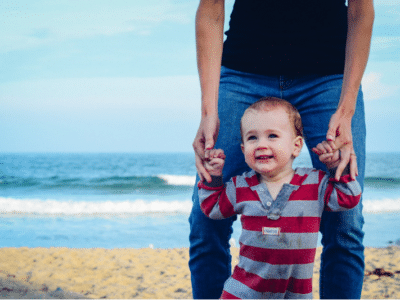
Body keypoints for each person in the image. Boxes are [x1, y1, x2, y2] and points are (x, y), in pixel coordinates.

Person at [189, 0, 374, 299]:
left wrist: (346, 108)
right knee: (205, 221)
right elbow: (211, 8)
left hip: (329, 77)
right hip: (242, 73)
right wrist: (209, 111)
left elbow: (361, 10)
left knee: (346, 225)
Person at [197, 98, 362, 299]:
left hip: (295, 295)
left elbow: (349, 197)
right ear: (243, 150)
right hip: (243, 293)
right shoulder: (240, 186)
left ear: (296, 146)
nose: (261, 145)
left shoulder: (315, 183)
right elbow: (212, 208)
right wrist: (214, 178)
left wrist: (336, 167)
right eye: (252, 138)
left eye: (272, 136)